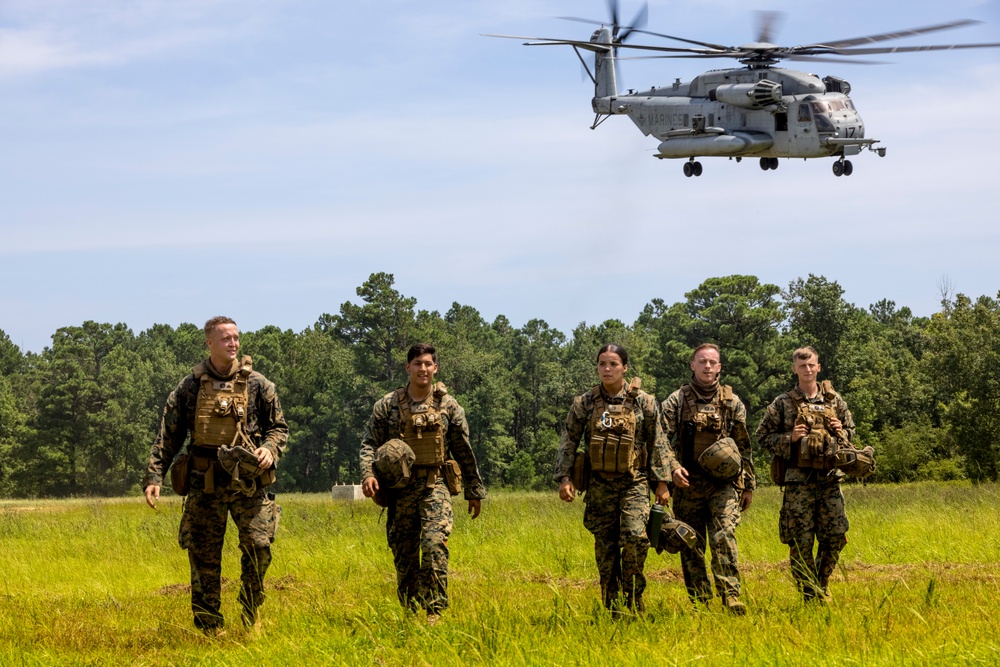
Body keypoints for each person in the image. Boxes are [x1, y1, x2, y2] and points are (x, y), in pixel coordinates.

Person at [143, 316, 287, 634]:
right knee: (204, 556)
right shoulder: (190, 386)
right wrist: (154, 477)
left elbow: (278, 428)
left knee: (259, 547)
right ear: (209, 343)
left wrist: (270, 449)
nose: (233, 343)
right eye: (226, 339)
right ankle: (209, 627)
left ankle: (251, 610)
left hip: (248, 481)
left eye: (236, 338)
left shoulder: (258, 384)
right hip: (204, 480)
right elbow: (168, 436)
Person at [360, 343, 486, 624]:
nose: (423, 369)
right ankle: (409, 609)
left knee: (433, 545)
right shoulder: (388, 405)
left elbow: (463, 450)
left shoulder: (448, 405)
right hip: (400, 491)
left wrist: (474, 491)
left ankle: (435, 611)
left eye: (428, 363)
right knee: (404, 553)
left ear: (435, 368)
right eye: (417, 363)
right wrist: (368, 474)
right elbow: (369, 444)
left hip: (435, 486)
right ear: (408, 367)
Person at [554, 344, 672, 614]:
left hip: (634, 482)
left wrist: (662, 482)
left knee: (635, 538)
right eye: (602, 364)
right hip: (599, 485)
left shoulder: (645, 401)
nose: (607, 369)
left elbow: (659, 442)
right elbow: (568, 441)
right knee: (605, 550)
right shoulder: (584, 403)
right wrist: (564, 478)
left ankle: (633, 600)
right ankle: (612, 606)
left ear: (625, 368)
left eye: (613, 364)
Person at [755, 346, 855, 603]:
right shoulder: (783, 402)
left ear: (818, 367)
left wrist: (839, 430)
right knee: (800, 543)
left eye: (811, 365)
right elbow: (762, 437)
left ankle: (821, 584)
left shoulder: (835, 401)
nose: (808, 370)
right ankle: (809, 595)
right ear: (794, 369)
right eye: (802, 366)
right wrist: (790, 438)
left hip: (830, 480)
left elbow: (851, 437)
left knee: (835, 537)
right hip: (798, 483)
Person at [660, 343, 755, 615]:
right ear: (692, 365)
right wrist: (672, 469)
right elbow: (661, 441)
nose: (708, 367)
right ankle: (701, 602)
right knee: (691, 543)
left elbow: (743, 446)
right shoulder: (676, 401)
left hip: (722, 484)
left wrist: (748, 486)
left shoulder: (732, 402)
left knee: (724, 533)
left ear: (720, 367)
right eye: (702, 362)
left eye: (713, 362)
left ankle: (731, 595)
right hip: (687, 482)